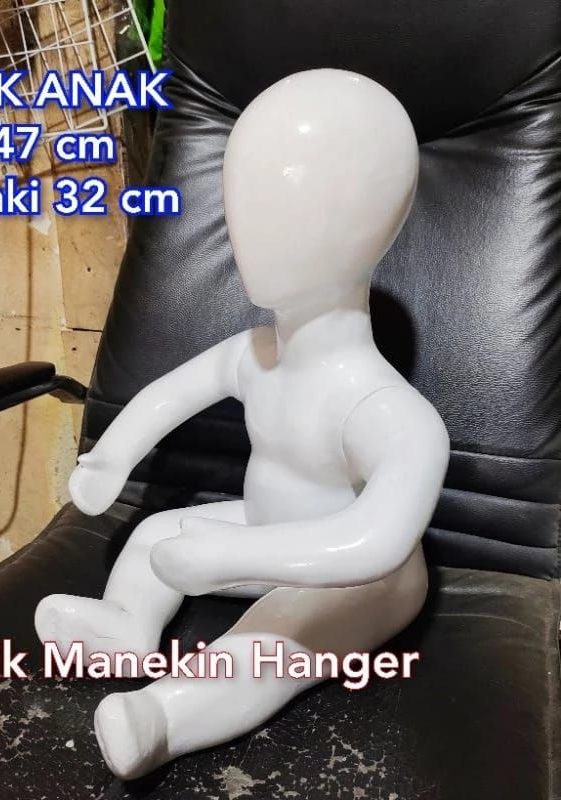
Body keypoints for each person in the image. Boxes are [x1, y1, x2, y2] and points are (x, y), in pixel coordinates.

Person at [35, 68, 449, 779]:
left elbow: (375, 542)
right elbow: (169, 395)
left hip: (363, 583)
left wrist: (232, 558)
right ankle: (128, 625)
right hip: (259, 529)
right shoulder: (254, 355)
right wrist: (112, 456)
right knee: (155, 534)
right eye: (240, 201)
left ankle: (161, 718)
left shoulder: (385, 411)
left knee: (270, 640)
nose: (248, 231)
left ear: (365, 224)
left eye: (283, 205)